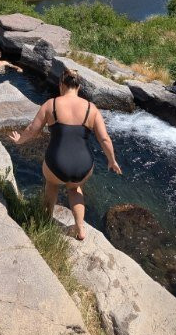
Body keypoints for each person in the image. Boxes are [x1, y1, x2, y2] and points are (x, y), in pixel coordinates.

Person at [9, 68, 122, 240]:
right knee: (75, 189)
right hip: (84, 165)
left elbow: (32, 129)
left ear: (61, 84)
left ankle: (46, 221)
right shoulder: (91, 108)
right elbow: (105, 139)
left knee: (52, 186)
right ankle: (80, 229)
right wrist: (112, 160)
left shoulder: (51, 104)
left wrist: (19, 141)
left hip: (56, 163)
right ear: (79, 87)